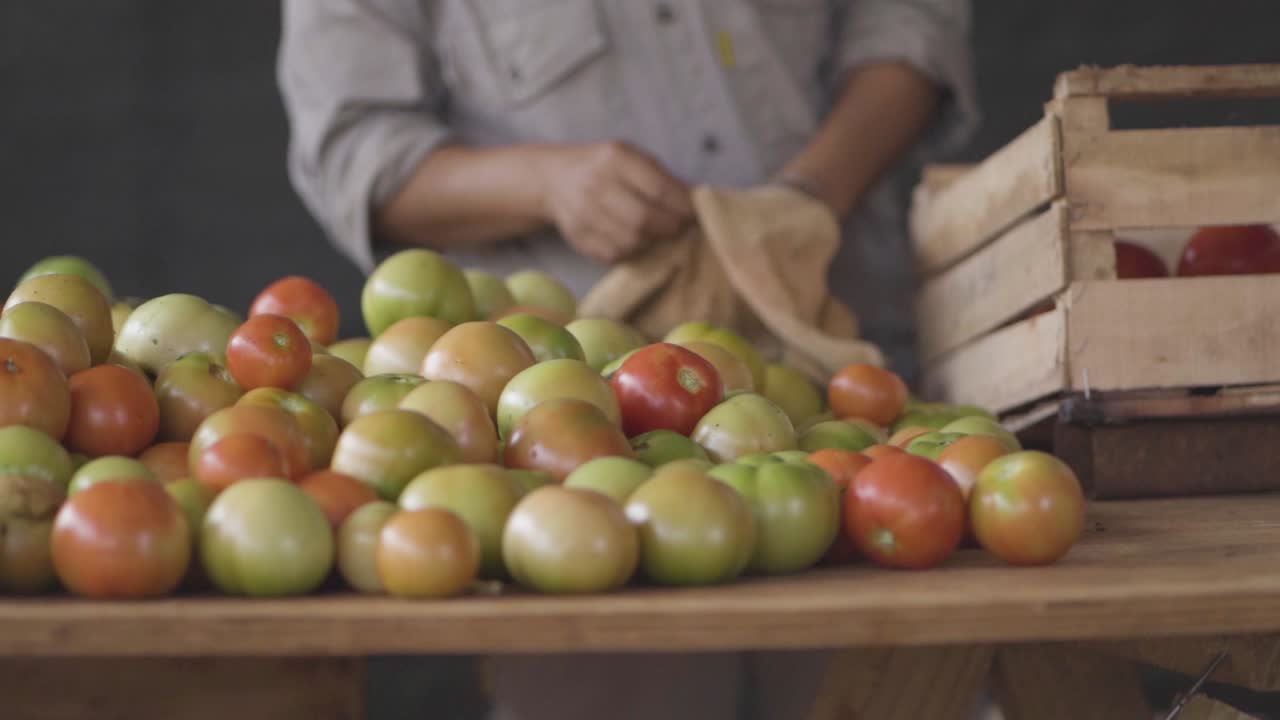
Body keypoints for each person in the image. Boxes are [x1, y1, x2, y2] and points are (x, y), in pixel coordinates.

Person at [277, 2, 977, 718]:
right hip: (564, 427)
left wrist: (810, 195)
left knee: (879, 687)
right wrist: (546, 184)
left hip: (838, 356)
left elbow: (907, 24)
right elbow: (353, 147)